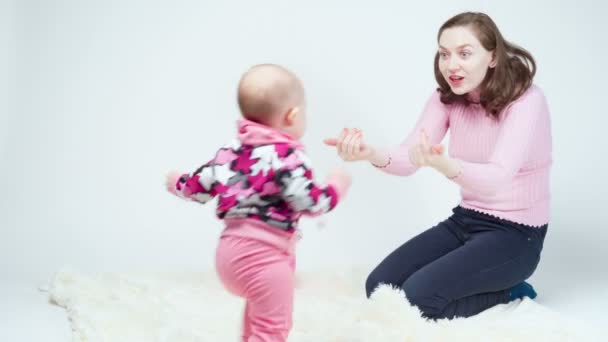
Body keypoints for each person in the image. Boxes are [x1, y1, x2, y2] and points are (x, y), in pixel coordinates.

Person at [325, 12, 551, 320]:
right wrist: (369, 153)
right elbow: (408, 159)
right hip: (466, 221)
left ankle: (509, 291)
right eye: (444, 54)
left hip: (516, 236)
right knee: (380, 288)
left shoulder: (526, 101)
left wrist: (445, 164)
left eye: (464, 53)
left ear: (493, 56)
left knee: (417, 300)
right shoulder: (447, 98)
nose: (451, 65)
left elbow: (497, 179)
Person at [167, 64, 351, 341]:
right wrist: (337, 184)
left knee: (257, 319)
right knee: (272, 331)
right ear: (293, 115)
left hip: (227, 256)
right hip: (264, 261)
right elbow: (312, 203)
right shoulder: (287, 156)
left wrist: (176, 180)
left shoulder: (229, 153)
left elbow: (196, 189)